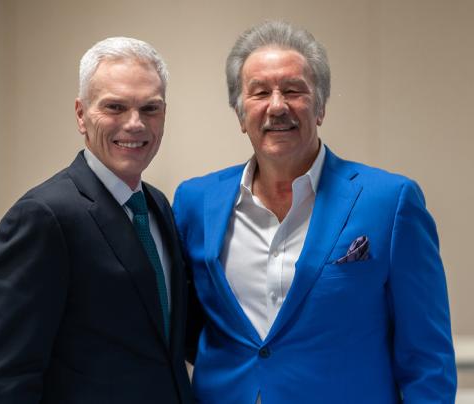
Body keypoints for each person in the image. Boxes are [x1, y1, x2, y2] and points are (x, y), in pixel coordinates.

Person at [173, 21, 456, 403]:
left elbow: (427, 359)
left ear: (320, 107)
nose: (277, 106)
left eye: (294, 91)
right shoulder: (196, 202)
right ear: (240, 114)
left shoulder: (390, 202)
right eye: (259, 93)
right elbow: (187, 330)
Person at [0, 37, 193, 404]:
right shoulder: (44, 217)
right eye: (115, 107)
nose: (135, 124)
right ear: (81, 115)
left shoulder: (157, 206)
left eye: (150, 108)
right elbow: (0, 380)